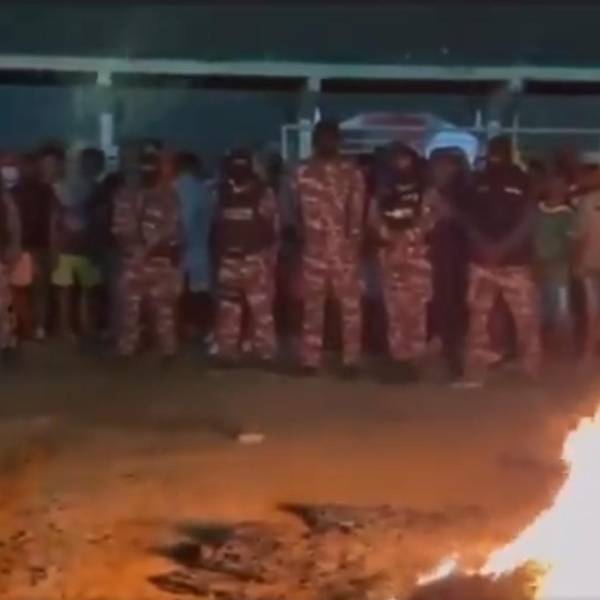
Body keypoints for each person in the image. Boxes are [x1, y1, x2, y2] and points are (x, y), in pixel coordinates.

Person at [460, 136, 540, 386]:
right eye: (492, 151)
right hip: (482, 260)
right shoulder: (477, 180)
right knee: (478, 320)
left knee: (525, 319)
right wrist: (485, 245)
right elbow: (468, 218)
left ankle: (530, 370)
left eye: (498, 152)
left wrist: (502, 247)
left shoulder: (523, 180)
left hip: (514, 261)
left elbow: (529, 218)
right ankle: (475, 373)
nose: (494, 156)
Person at [292, 120, 366, 377]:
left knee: (350, 307)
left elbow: (357, 212)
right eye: (322, 138)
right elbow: (294, 208)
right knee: (312, 306)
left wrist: (354, 244)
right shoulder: (302, 171)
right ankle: (309, 359)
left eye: (331, 138)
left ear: (338, 141)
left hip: (343, 249)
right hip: (313, 249)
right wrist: (299, 237)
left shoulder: (351, 172)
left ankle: (351, 360)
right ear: (315, 140)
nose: (327, 142)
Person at [112, 145, 182, 362]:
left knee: (160, 309)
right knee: (132, 309)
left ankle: (165, 349)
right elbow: (119, 229)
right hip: (138, 260)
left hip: (153, 260)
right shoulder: (129, 195)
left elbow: (172, 231)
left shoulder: (167, 196)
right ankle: (131, 348)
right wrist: (136, 249)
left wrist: (144, 249)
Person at [369, 142, 430, 381]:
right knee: (394, 310)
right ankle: (399, 359)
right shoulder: (383, 191)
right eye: (396, 160)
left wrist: (404, 238)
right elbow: (373, 220)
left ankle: (415, 360)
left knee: (416, 310)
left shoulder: (425, 190)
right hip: (391, 256)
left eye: (404, 159)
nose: (400, 164)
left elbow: (429, 221)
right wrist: (390, 237)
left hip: (417, 256)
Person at [213, 148, 278, 367]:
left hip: (254, 258)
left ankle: (265, 353)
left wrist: (269, 259)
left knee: (260, 310)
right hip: (230, 259)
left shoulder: (262, 193)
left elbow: (271, 229)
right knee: (229, 309)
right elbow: (217, 228)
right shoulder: (222, 192)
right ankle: (227, 352)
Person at [425, 148, 471, 382]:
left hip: (459, 257)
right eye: (437, 166)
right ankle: (444, 347)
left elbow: (468, 222)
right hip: (435, 255)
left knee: (455, 304)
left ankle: (454, 354)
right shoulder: (429, 193)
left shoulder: (466, 194)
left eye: (446, 166)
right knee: (440, 302)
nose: (440, 171)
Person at [48, 146, 103, 340]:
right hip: (68, 247)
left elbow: (98, 220)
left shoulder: (95, 189)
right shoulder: (59, 188)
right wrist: (54, 247)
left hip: (86, 248)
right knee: (68, 291)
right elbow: (54, 221)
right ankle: (69, 329)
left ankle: (85, 327)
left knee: (86, 290)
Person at [173, 152, 216, 342]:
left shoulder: (171, 188)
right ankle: (199, 328)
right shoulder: (201, 190)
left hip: (179, 248)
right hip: (198, 247)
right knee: (199, 291)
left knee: (180, 292)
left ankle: (182, 328)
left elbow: (183, 221)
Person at [12, 152, 54, 340]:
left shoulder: (46, 191)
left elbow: (53, 220)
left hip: (39, 246)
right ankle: (23, 326)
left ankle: (40, 326)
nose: (26, 169)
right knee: (19, 289)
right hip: (19, 246)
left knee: (39, 288)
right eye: (23, 165)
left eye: (29, 165)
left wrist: (53, 246)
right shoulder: (13, 192)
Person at [534, 173, 575, 351]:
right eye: (554, 184)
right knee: (540, 307)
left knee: (560, 309)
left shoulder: (567, 214)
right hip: (538, 266)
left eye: (561, 185)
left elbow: (571, 243)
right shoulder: (537, 210)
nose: (557, 188)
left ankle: (561, 347)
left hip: (559, 268)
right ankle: (545, 345)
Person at [573, 165, 600, 362]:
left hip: (590, 262)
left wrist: (576, 262)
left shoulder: (588, 201)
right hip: (590, 264)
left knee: (592, 310)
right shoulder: (587, 200)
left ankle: (589, 352)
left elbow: (579, 236)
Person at [0, 178, 21, 362]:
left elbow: (14, 229)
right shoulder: (7, 201)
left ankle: (6, 338)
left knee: (3, 302)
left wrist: (13, 252)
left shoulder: (6, 201)